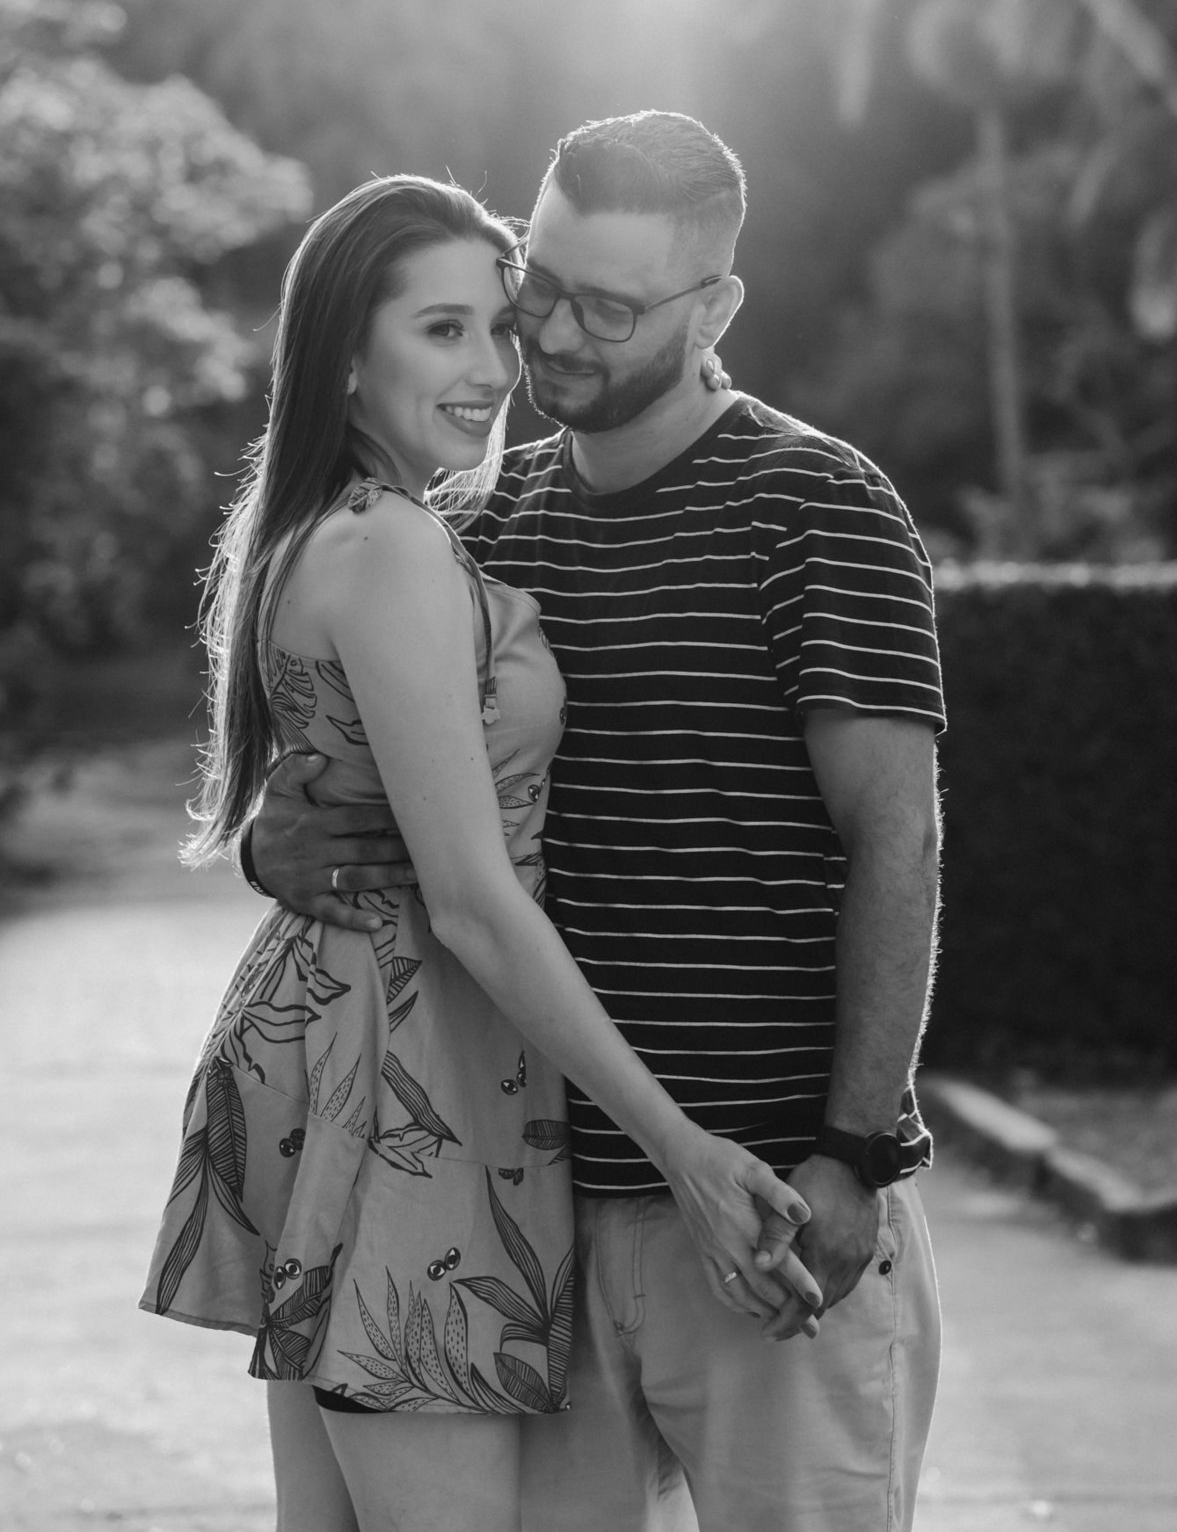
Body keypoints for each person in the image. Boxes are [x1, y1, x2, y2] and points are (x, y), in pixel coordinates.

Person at [247, 114, 945, 1532]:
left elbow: (900, 842)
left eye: (607, 309)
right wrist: (280, 839)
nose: (548, 338)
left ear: (717, 310)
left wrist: (853, 1152)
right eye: (535, 286)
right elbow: (383, 794)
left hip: (766, 1207)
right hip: (535, 1208)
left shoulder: (818, 505)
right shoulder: (474, 527)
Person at [139, 173, 820, 1532]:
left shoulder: (368, 528)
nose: (494, 369)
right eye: (442, 331)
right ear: (345, 357)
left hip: (362, 1047)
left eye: (498, 329)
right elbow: (473, 906)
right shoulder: (390, 545)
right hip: (411, 1079)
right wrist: (682, 1143)